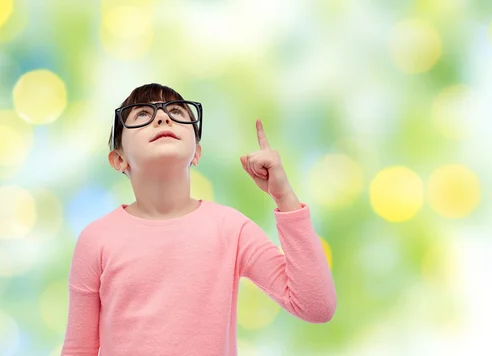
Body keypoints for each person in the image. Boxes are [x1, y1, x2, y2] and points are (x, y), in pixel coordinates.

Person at [60, 83, 336, 356]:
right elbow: (79, 348)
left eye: (177, 111)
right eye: (142, 114)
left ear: (197, 153)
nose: (163, 117)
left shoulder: (230, 229)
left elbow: (317, 307)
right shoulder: (97, 239)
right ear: (118, 159)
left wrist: (284, 196)